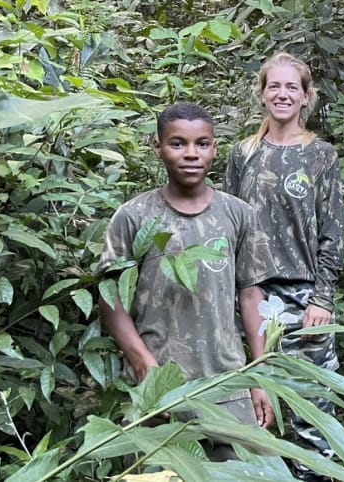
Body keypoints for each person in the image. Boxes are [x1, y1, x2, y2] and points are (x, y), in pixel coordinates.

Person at [99, 102, 276, 460]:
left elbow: (250, 295)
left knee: (258, 468)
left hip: (227, 382)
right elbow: (111, 299)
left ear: (215, 148)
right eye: (177, 143)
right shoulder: (134, 217)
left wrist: (260, 376)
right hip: (160, 388)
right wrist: (143, 366)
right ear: (158, 147)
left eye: (202, 143)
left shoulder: (237, 213)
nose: (191, 154)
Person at [223, 52, 343, 478]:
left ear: (306, 96)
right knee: (254, 412)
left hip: (303, 297)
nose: (282, 93)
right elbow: (228, 229)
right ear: (261, 93)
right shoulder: (242, 154)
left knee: (311, 415)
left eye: (292, 86)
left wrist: (323, 298)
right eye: (274, 85)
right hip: (251, 298)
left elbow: (332, 232)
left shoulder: (320, 155)